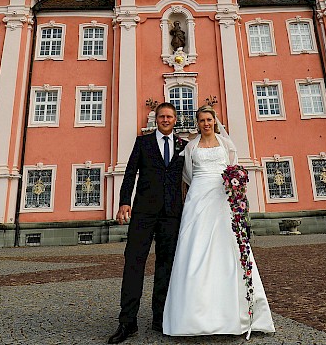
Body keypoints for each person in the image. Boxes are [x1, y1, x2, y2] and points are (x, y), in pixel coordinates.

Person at [163, 106, 275, 337]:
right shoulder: (191, 147)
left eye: (209, 119)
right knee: (195, 247)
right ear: (197, 124)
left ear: (215, 121)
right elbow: (188, 174)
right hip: (198, 198)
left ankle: (238, 313)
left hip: (223, 200)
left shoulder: (226, 144)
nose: (206, 124)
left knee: (228, 248)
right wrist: (200, 188)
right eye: (202, 120)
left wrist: (233, 185)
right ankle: (193, 317)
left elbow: (232, 169)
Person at [108, 102, 185, 344]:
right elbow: (130, 173)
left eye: (169, 117)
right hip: (143, 212)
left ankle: (160, 318)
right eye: (162, 116)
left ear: (175, 120)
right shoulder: (143, 143)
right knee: (134, 263)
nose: (165, 120)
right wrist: (124, 202)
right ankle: (127, 322)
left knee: (166, 265)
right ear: (156, 119)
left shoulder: (184, 146)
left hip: (171, 213)